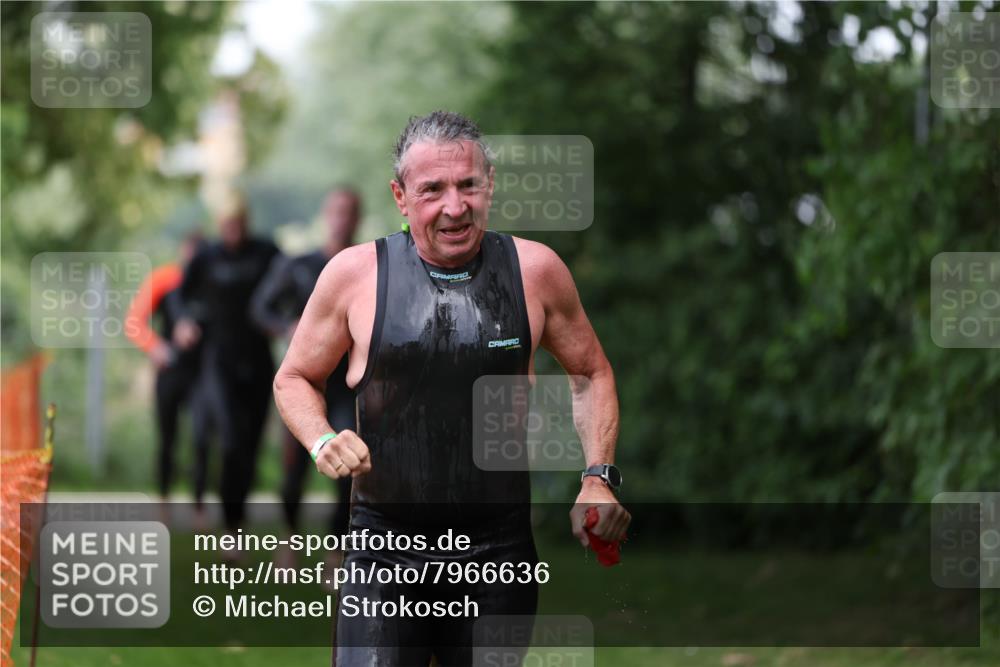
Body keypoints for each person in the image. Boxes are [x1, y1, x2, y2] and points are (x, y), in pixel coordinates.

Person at [273, 111, 630, 665]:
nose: (455, 206)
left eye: (468, 185)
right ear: (400, 196)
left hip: (497, 552)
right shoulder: (355, 275)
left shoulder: (535, 271)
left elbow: (591, 373)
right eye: (432, 190)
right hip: (384, 551)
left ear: (490, 184)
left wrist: (597, 478)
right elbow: (294, 377)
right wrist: (321, 439)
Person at [251, 188, 361, 567]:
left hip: (347, 384)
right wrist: (287, 326)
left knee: (348, 464)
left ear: (357, 218)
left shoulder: (364, 266)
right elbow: (259, 307)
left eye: (349, 211)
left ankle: (336, 549)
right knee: (294, 466)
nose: (342, 218)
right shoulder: (298, 265)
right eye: (336, 210)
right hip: (306, 381)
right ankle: (289, 539)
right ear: (325, 214)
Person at [174, 195, 280, 552]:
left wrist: (286, 321)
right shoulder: (206, 257)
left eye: (239, 223)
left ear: (247, 222)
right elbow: (179, 295)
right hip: (219, 362)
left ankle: (239, 515)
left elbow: (291, 288)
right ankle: (232, 525)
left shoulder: (266, 253)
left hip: (258, 359)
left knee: (250, 446)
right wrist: (183, 321)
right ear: (220, 225)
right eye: (227, 224)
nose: (233, 230)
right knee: (231, 441)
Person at [125, 232, 210, 524]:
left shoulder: (211, 283)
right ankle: (163, 501)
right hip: (170, 372)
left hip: (202, 375)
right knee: (167, 438)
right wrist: (155, 348)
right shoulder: (165, 279)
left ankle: (198, 506)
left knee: (201, 438)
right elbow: (134, 322)